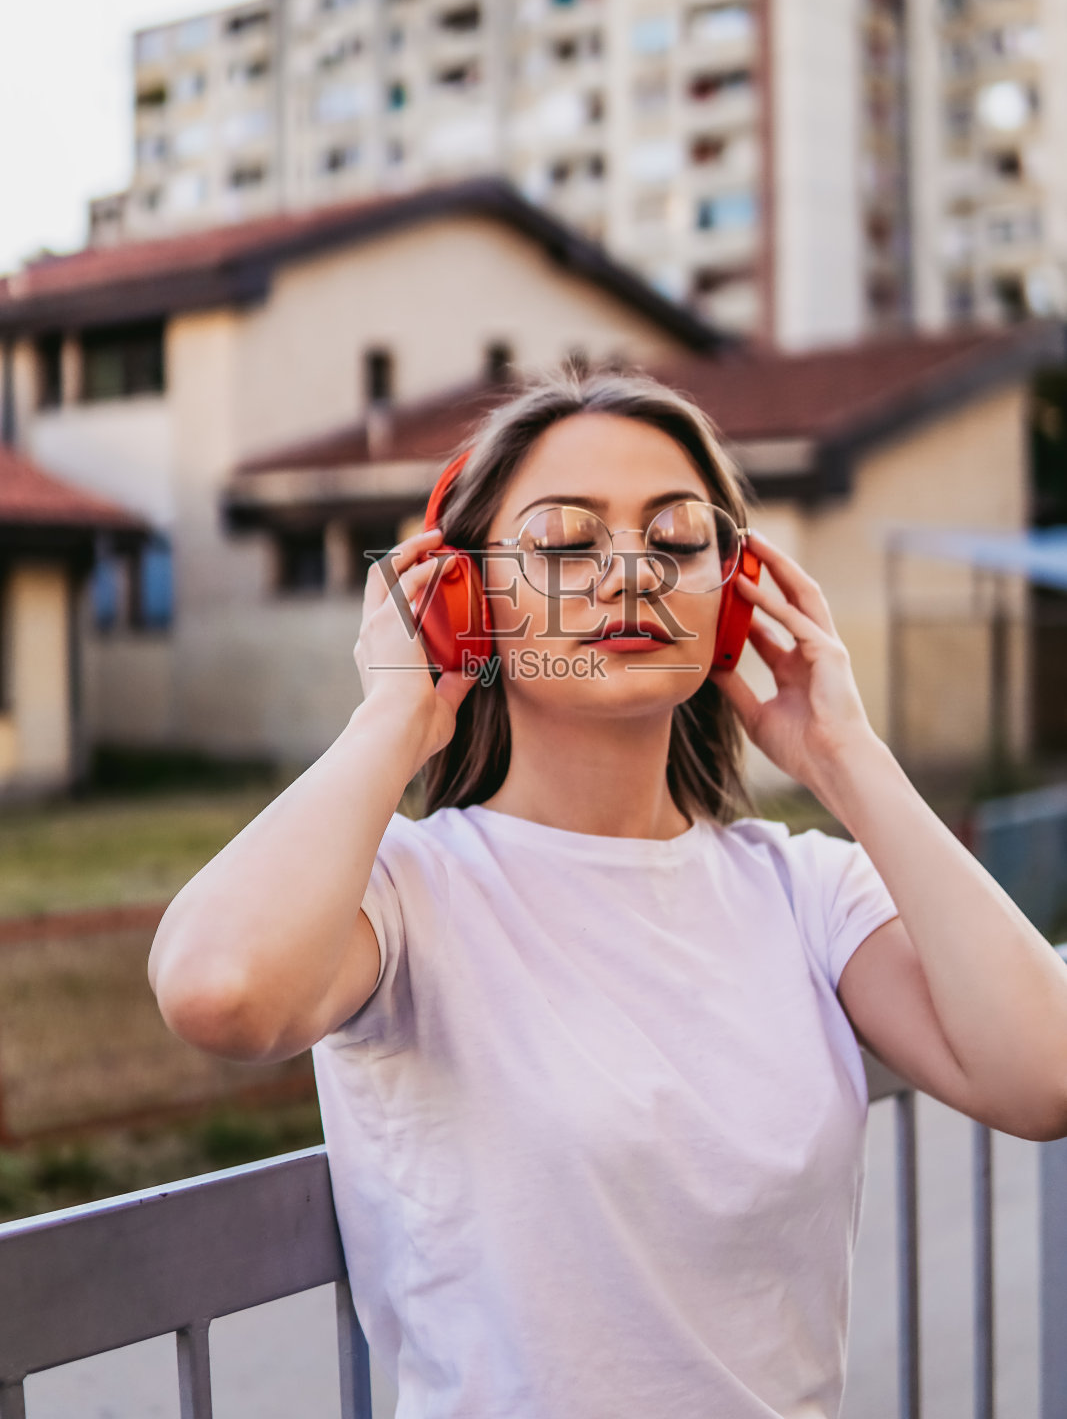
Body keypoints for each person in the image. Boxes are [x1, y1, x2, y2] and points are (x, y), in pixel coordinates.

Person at [148, 368, 1067, 1419]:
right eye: (564, 544)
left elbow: (1043, 1074)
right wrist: (392, 720)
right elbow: (219, 990)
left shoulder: (806, 889)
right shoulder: (410, 889)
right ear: (464, 599)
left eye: (676, 541)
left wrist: (844, 753)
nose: (628, 571)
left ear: (732, 594)